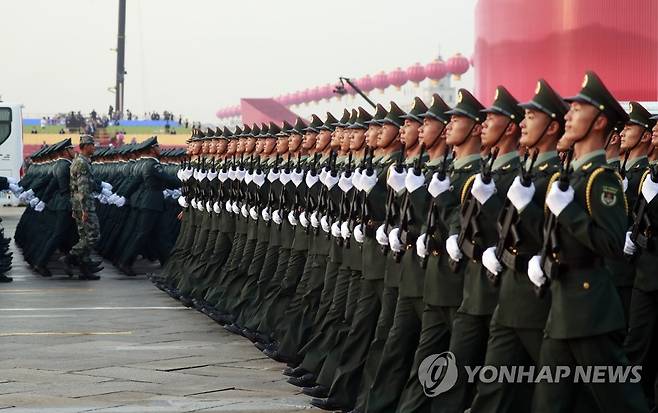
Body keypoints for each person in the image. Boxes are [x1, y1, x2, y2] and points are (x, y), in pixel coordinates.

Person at [68, 135, 102, 279]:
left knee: (84, 236)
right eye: (92, 145)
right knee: (93, 236)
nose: (94, 147)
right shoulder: (81, 163)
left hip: (78, 204)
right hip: (84, 205)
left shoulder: (80, 161)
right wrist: (85, 210)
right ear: (85, 146)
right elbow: (83, 189)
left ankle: (84, 268)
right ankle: (70, 258)